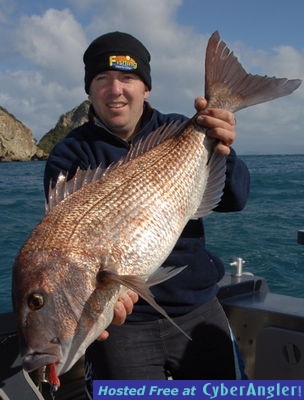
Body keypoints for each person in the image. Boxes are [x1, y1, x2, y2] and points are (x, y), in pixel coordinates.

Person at [44, 32, 250, 397]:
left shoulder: (183, 129)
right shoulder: (68, 155)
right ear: (89, 91)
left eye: (128, 78)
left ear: (146, 88)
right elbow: (66, 250)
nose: (115, 89)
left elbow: (235, 200)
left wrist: (224, 147)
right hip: (126, 326)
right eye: (102, 79)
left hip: (197, 304)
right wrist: (100, 302)